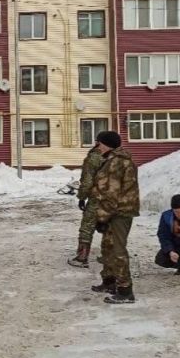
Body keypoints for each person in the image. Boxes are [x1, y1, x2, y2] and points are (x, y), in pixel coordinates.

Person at [89, 130, 140, 304]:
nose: (97, 146)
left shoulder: (116, 163)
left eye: (100, 143)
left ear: (108, 145)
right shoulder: (113, 160)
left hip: (119, 212)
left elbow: (111, 194)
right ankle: (109, 281)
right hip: (115, 211)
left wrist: (101, 217)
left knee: (117, 251)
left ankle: (125, 291)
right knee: (107, 247)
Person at [67, 145, 103, 268]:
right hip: (115, 199)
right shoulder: (120, 157)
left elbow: (87, 181)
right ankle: (109, 256)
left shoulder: (94, 157)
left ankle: (82, 257)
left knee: (87, 227)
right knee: (111, 227)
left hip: (97, 198)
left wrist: (82, 197)